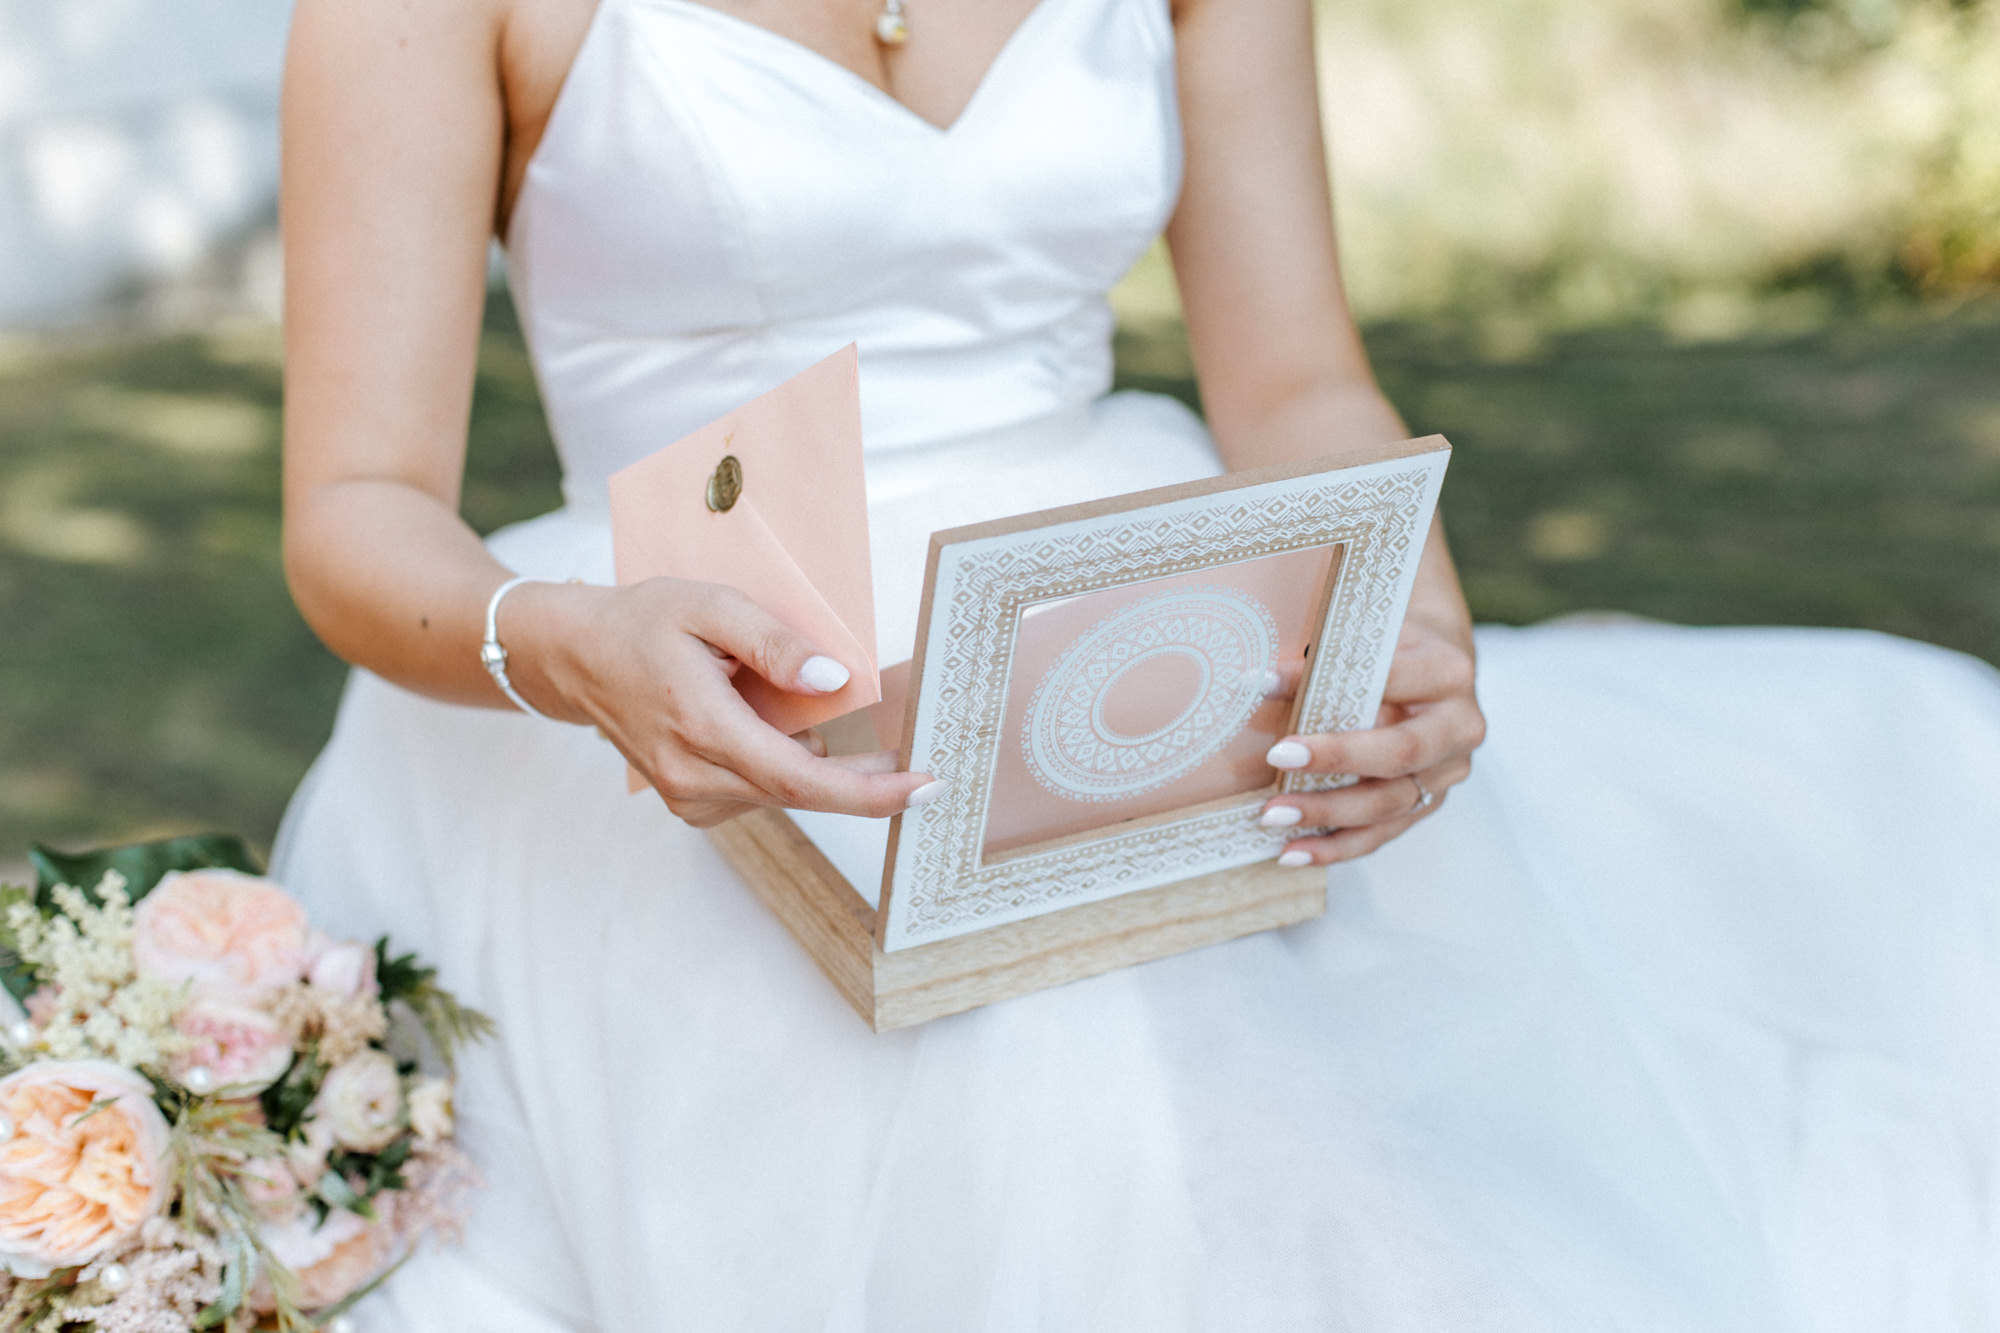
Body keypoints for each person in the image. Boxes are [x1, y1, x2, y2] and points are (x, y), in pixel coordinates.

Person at [273, 0, 2000, 1326]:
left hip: (1143, 636)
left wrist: (1418, 629)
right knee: (1012, 1126)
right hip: (688, 678)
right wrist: (566, 645)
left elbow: (1302, 380)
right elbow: (356, 509)